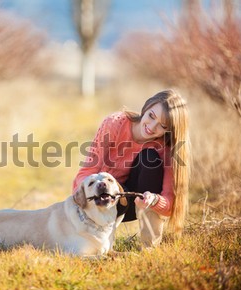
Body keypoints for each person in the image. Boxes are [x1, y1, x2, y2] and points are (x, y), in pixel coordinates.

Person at [73, 89, 191, 247]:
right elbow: (86, 173)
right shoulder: (115, 124)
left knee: (150, 157)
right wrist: (83, 200)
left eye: (162, 125)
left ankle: (149, 246)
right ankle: (93, 234)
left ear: (169, 130)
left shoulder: (165, 148)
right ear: (146, 107)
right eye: (151, 116)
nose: (152, 126)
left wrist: (154, 199)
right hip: (100, 199)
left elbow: (169, 205)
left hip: (133, 201)